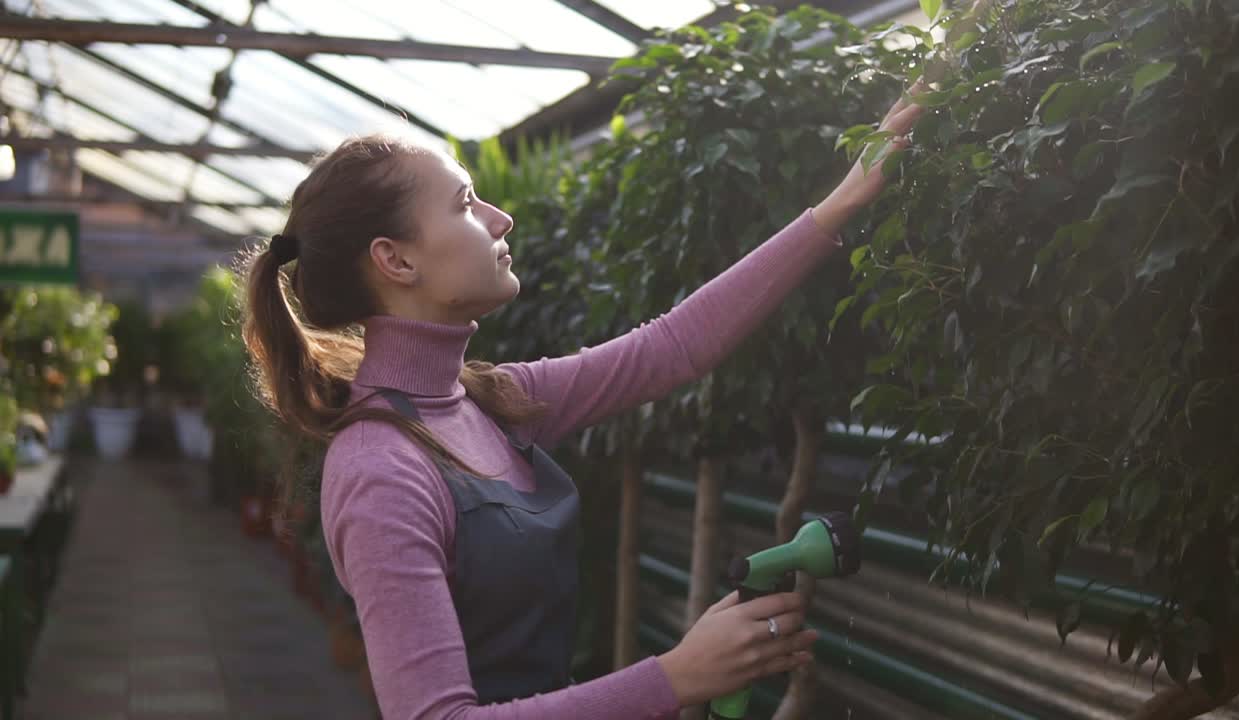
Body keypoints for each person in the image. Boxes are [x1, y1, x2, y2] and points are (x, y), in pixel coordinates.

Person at [241, 84, 925, 719]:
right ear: (397, 261)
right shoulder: (382, 471)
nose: (500, 218)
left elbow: (671, 348)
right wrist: (677, 675)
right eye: (465, 202)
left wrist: (840, 204)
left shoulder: (486, 400)